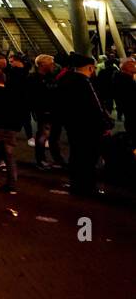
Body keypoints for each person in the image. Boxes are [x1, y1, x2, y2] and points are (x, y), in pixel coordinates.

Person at [55, 55, 111, 197]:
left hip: (72, 125)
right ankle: (87, 186)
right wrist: (105, 124)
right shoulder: (85, 82)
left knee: (76, 155)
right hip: (88, 127)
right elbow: (95, 106)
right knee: (88, 157)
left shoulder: (65, 80)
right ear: (90, 67)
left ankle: (77, 185)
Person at [25, 54, 65, 170]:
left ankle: (56, 158)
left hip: (53, 111)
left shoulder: (50, 77)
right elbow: (34, 96)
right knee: (44, 135)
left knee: (54, 136)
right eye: (50, 63)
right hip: (44, 111)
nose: (53, 66)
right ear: (42, 65)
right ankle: (41, 159)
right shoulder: (34, 79)